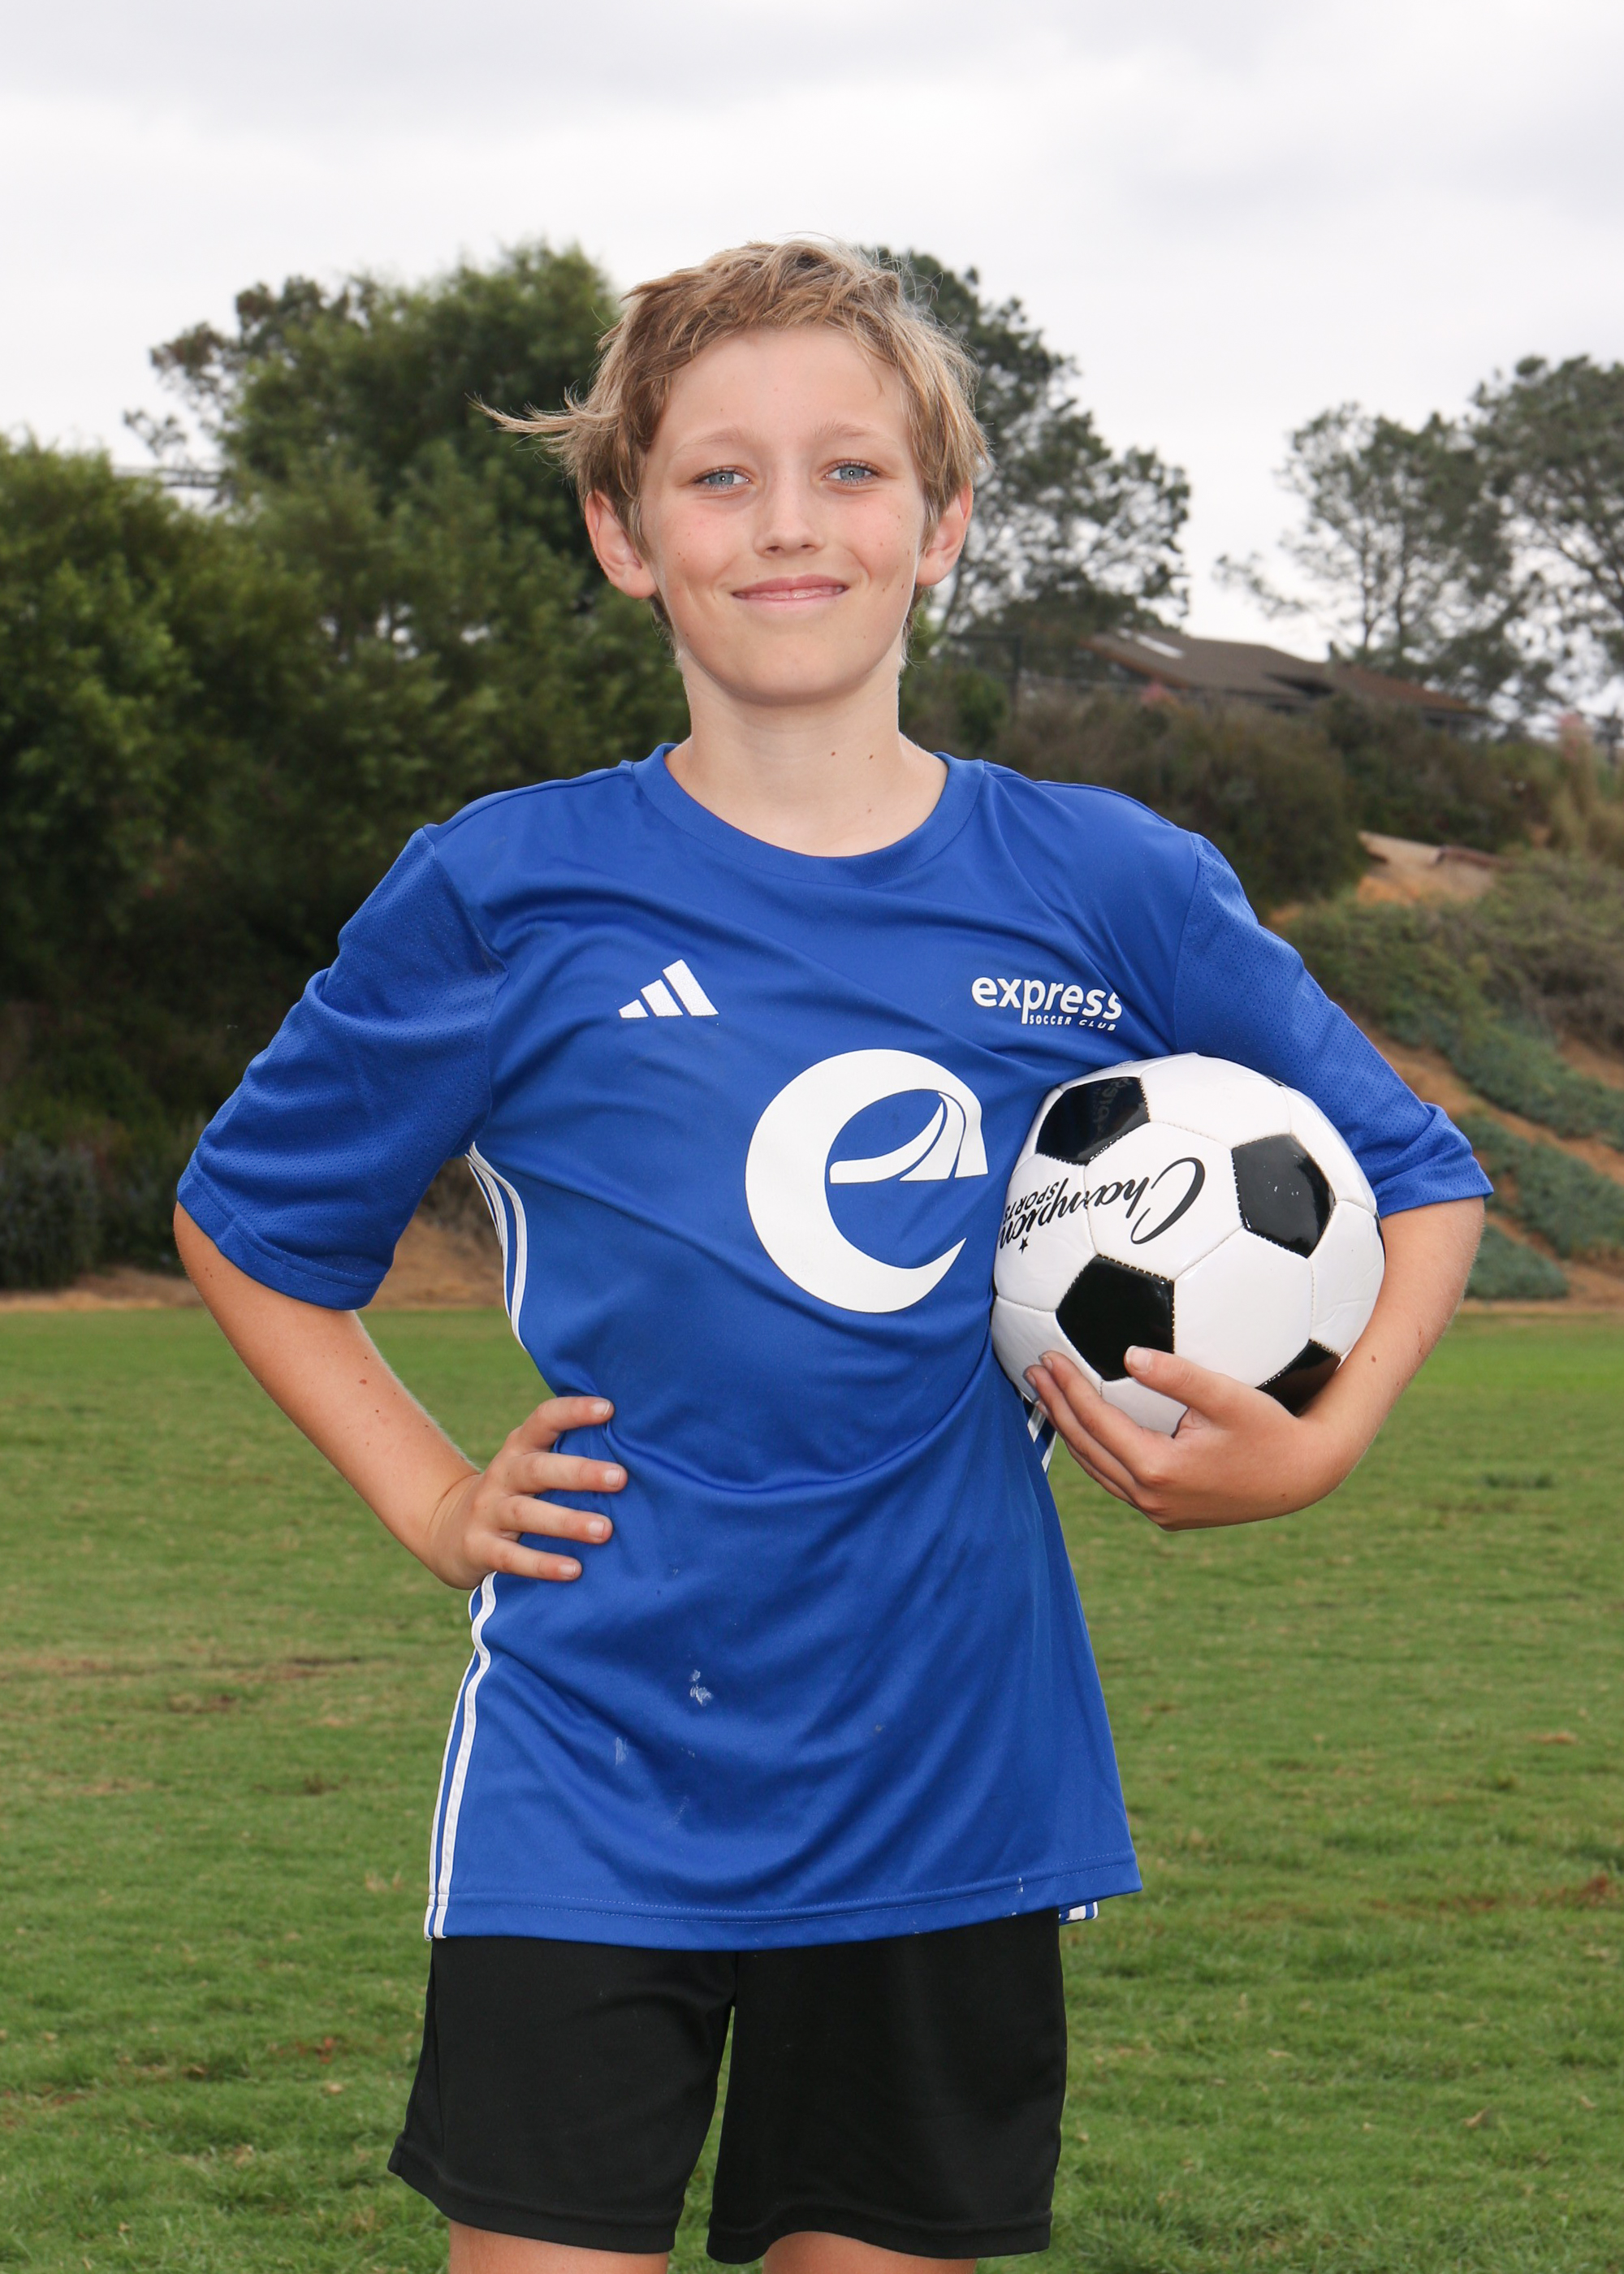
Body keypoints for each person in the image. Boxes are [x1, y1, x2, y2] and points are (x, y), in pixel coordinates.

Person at [174, 240, 1488, 2274]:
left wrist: (1317, 1442)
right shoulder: (506, 888)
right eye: (719, 475)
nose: (787, 520)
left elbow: (1415, 1173)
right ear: (624, 533)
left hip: (950, 1777)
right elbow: (253, 1220)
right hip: (592, 1761)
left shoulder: (1107, 883)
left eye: (850, 470)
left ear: (940, 524)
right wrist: (431, 1494)